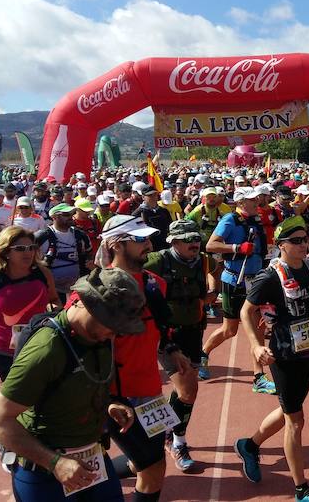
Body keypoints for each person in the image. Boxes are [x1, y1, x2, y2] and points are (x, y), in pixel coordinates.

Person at [0, 268, 144, 501]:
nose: (114, 334)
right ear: (84, 303)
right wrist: (55, 462)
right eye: (110, 323)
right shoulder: (46, 349)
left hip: (93, 461)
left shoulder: (100, 337)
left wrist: (109, 405)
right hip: (45, 474)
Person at [234, 221, 309, 502]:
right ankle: (301, 489)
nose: (304, 244)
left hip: (307, 349)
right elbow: (245, 312)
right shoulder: (269, 277)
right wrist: (255, 347)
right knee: (296, 420)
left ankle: (249, 445)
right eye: (297, 240)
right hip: (283, 354)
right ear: (282, 245)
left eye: (306, 238)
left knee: (292, 408)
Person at [97, 214, 191, 501]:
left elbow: (159, 328)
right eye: (139, 240)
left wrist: (172, 349)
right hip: (119, 399)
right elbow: (86, 351)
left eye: (148, 238)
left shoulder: (154, 284)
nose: (148, 245)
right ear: (115, 245)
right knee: (152, 469)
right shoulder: (97, 290)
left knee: (149, 464)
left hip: (152, 395)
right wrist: (106, 398)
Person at [143, 220, 215, 473]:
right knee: (188, 391)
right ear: (173, 241)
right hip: (167, 335)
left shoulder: (203, 260)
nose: (195, 243)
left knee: (186, 392)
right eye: (188, 239)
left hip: (194, 331)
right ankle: (178, 442)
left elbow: (212, 272)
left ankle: (167, 432)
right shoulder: (156, 261)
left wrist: (212, 287)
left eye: (197, 238)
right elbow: (121, 273)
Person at [201, 187, 275, 394]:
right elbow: (211, 245)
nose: (257, 201)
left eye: (256, 198)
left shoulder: (257, 220)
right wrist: (236, 248)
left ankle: (258, 377)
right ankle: (204, 353)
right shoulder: (229, 221)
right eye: (252, 199)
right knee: (230, 330)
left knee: (259, 327)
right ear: (241, 203)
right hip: (234, 280)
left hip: (256, 281)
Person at [0, 226, 59, 381]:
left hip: (37, 345)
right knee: (14, 395)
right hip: (2, 351)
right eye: (20, 248)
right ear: (6, 252)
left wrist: (55, 310)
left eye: (31, 247)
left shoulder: (43, 273)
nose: (28, 252)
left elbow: (54, 299)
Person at [35, 203, 93, 303]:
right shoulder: (42, 236)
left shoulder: (81, 235)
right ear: (54, 217)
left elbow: (88, 254)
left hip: (77, 287)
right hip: (52, 291)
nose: (71, 217)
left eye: (72, 214)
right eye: (66, 214)